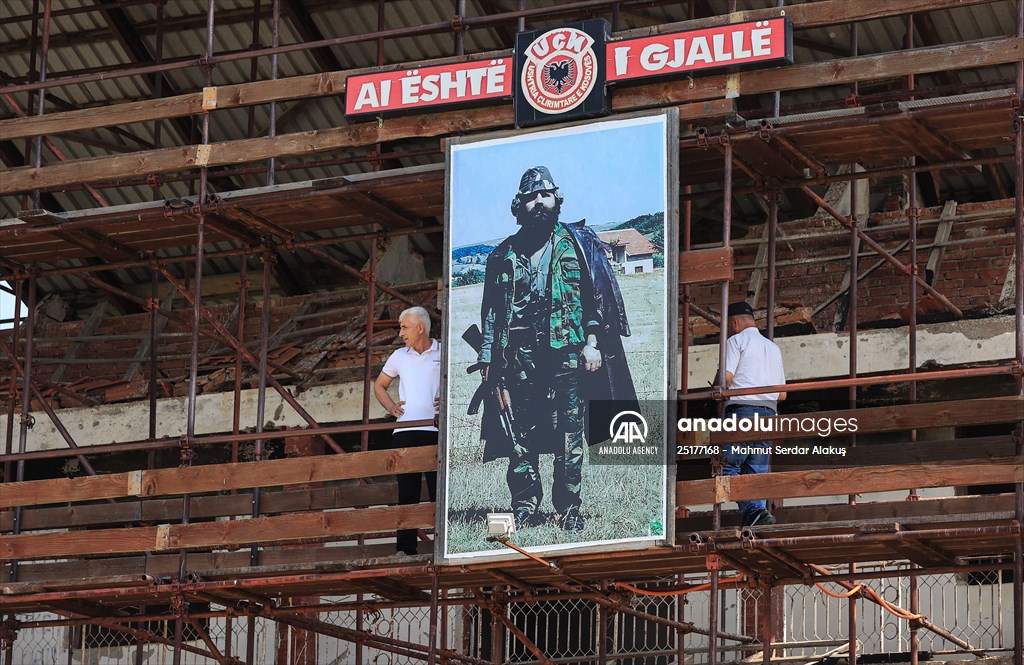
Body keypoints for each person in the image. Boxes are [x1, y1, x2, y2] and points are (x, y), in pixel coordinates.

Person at [471, 166, 637, 532]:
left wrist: (592, 343)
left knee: (569, 435)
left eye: (545, 195)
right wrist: (487, 359)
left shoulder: (577, 245)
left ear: (556, 201)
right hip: (519, 359)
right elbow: (491, 315)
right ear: (520, 205)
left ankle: (569, 509)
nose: (539, 203)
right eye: (531, 197)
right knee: (521, 435)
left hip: (567, 356)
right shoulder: (502, 255)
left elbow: (596, 305)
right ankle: (525, 507)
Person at [374, 306, 441, 556]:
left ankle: (441, 546)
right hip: (404, 431)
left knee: (438, 492)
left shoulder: (443, 350)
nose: (401, 333)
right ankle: (405, 549)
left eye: (404, 327)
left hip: (436, 430)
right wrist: (391, 406)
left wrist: (446, 399)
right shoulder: (399, 356)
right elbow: (380, 386)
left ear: (420, 327)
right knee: (407, 492)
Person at [720, 300, 787, 527]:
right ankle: (757, 517)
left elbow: (725, 379)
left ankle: (753, 511)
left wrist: (716, 387)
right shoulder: (773, 348)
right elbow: (782, 395)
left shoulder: (736, 341)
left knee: (726, 466)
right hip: (768, 415)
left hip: (743, 412)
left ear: (735, 322)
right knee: (755, 472)